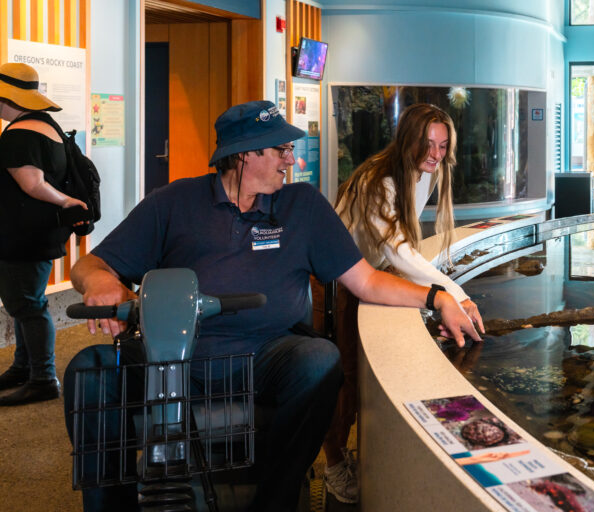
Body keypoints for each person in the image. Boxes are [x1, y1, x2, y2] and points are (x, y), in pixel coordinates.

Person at [64, 100, 481, 512]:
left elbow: (367, 281)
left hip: (265, 354)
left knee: (320, 360)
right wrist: (102, 282)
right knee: (90, 370)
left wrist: (438, 297)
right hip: (174, 358)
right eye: (280, 150)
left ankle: (274, 501)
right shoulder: (173, 203)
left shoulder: (302, 207)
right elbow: (90, 264)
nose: (291, 160)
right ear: (244, 155)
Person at [320, 103, 486, 503]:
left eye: (443, 146)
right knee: (342, 377)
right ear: (407, 140)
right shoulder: (380, 180)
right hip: (333, 279)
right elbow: (398, 253)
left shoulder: (425, 173)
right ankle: (332, 466)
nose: (435, 154)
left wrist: (447, 295)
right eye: (427, 144)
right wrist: (455, 296)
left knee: (359, 372)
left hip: (367, 270)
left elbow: (401, 248)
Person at [0, 62, 89, 406]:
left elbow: (32, 184)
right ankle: (24, 367)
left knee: (27, 305)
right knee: (26, 303)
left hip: (24, 235)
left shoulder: (19, 134)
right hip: (39, 232)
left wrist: (67, 201)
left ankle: (42, 377)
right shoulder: (45, 125)